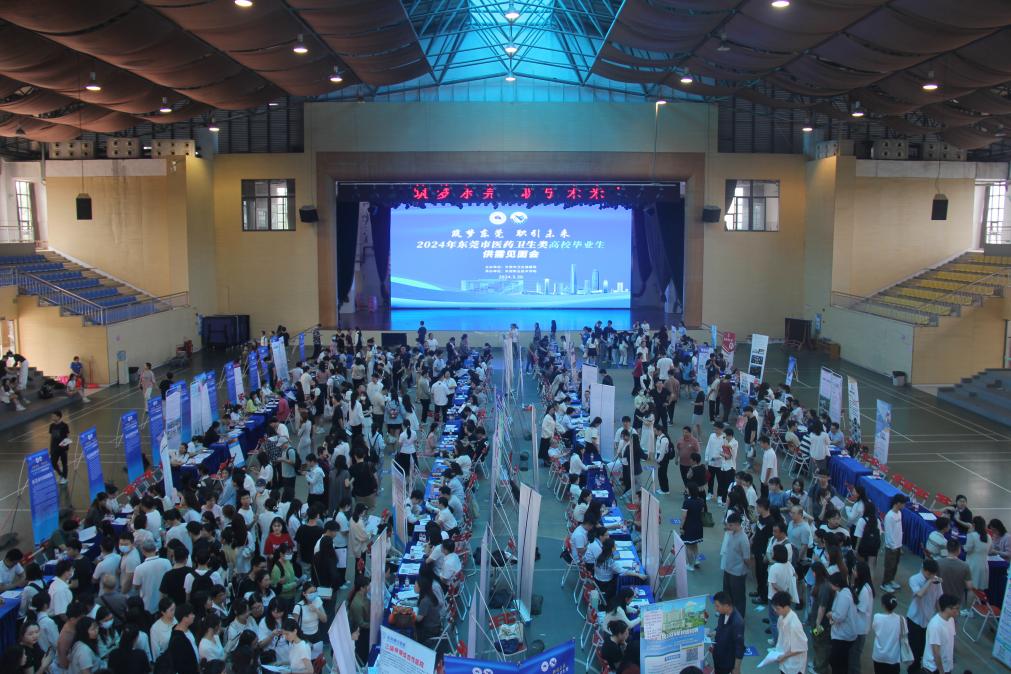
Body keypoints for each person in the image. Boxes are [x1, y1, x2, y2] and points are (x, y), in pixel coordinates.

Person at [907, 558, 943, 674]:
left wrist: (941, 617)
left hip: (929, 620)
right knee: (914, 648)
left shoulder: (936, 582)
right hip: (914, 619)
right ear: (925, 571)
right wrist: (930, 581)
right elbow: (920, 594)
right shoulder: (914, 579)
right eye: (931, 574)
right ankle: (912, 669)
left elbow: (938, 599)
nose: (933, 576)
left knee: (924, 648)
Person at [720, 513, 751, 620]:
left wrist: (747, 570)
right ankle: (727, 613)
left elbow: (747, 558)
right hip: (728, 569)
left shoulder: (743, 539)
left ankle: (738, 618)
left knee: (738, 597)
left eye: (730, 525)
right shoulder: (731, 533)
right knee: (727, 594)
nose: (728, 527)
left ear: (737, 524)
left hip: (738, 573)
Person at [827, 572, 857, 674]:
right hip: (845, 633)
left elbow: (839, 616)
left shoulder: (844, 595)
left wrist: (831, 614)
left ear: (836, 584)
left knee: (836, 661)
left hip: (843, 635)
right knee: (842, 661)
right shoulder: (844, 592)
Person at [770, 591, 807, 674]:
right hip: (785, 663)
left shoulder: (794, 625)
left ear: (786, 607)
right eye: (774, 608)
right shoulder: (781, 617)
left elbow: (801, 647)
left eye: (777, 608)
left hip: (793, 666)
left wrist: (783, 656)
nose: (775, 611)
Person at [921, 595, 959, 674]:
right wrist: (941, 671)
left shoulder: (951, 620)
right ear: (947, 608)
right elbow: (936, 653)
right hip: (934, 669)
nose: (958, 611)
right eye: (956, 608)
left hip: (946, 667)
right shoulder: (935, 625)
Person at [871, 593, 905, 674]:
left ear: (883, 605)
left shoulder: (877, 617)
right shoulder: (901, 619)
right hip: (893, 657)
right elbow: (903, 635)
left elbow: (874, 629)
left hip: (879, 656)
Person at [711, 591, 745, 674]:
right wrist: (714, 632)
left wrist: (736, 668)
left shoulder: (737, 622)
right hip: (718, 656)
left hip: (726, 662)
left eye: (717, 606)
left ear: (726, 606)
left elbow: (739, 647)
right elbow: (721, 627)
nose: (716, 609)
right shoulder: (723, 613)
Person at [935, 539, 972, 610]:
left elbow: (934, 581)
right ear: (959, 550)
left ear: (947, 549)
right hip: (956, 600)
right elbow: (969, 586)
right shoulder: (965, 566)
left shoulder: (938, 563)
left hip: (941, 598)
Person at [880, 494, 906, 592]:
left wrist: (899, 545)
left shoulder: (899, 513)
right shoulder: (889, 516)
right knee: (889, 566)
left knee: (895, 565)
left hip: (898, 545)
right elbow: (889, 533)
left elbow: (899, 530)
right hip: (891, 547)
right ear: (898, 503)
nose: (904, 506)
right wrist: (892, 546)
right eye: (903, 504)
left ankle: (891, 580)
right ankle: (884, 584)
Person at [166, 603, 200, 674]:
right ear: (184, 618)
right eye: (191, 614)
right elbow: (181, 664)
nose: (194, 616)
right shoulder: (178, 640)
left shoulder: (190, 629)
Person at [680, 483, 705, 568]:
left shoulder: (687, 502)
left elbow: (683, 517)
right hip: (698, 526)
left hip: (689, 527)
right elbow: (702, 513)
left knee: (688, 546)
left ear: (690, 490)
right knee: (694, 544)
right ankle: (697, 560)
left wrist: (681, 527)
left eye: (687, 488)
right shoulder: (701, 500)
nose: (686, 490)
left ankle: (690, 565)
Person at [964, 515, 991, 591]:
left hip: (973, 565)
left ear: (974, 525)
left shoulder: (972, 535)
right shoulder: (989, 536)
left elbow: (967, 549)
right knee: (979, 591)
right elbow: (989, 550)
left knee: (971, 590)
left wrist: (963, 545)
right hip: (984, 566)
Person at [49, 411, 71, 484]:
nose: (52, 417)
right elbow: (52, 437)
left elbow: (67, 437)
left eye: (54, 416)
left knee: (64, 463)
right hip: (54, 448)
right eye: (52, 416)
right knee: (53, 463)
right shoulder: (51, 426)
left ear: (58, 417)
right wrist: (51, 449)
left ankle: (65, 478)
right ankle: (61, 475)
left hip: (62, 448)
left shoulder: (64, 425)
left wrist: (67, 447)